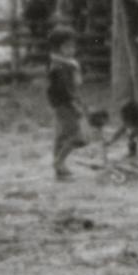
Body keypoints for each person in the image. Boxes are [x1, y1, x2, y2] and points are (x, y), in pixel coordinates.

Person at [45, 28, 87, 179]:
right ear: (57, 48)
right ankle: (59, 162)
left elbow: (73, 86)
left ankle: (60, 171)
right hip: (65, 104)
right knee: (77, 136)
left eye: (73, 46)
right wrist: (73, 104)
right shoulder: (59, 67)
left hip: (63, 103)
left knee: (62, 136)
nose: (72, 50)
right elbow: (63, 89)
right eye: (67, 47)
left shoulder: (67, 64)